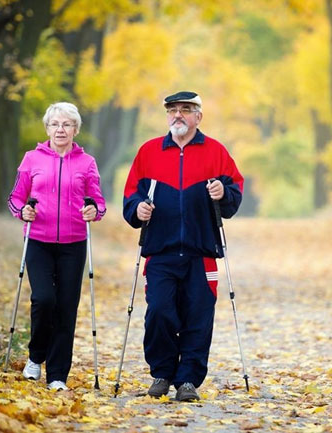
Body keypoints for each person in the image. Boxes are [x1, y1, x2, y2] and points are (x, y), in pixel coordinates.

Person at [123, 91, 244, 401]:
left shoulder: (215, 151)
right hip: (160, 250)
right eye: (173, 110)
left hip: (201, 251)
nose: (178, 115)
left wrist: (222, 192)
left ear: (198, 116)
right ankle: (162, 374)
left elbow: (234, 193)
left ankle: (187, 379)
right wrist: (137, 209)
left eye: (186, 110)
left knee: (198, 316)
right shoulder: (149, 151)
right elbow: (131, 195)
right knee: (160, 312)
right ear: (167, 116)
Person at [7, 102, 107, 391]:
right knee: (44, 300)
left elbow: (98, 202)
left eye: (66, 124)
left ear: (75, 129)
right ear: (47, 128)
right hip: (38, 240)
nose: (60, 129)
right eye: (55, 124)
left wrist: (94, 212)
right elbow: (15, 198)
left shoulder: (86, 163)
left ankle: (58, 375)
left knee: (66, 307)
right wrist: (22, 211)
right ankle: (36, 357)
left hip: (74, 244)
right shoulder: (31, 159)